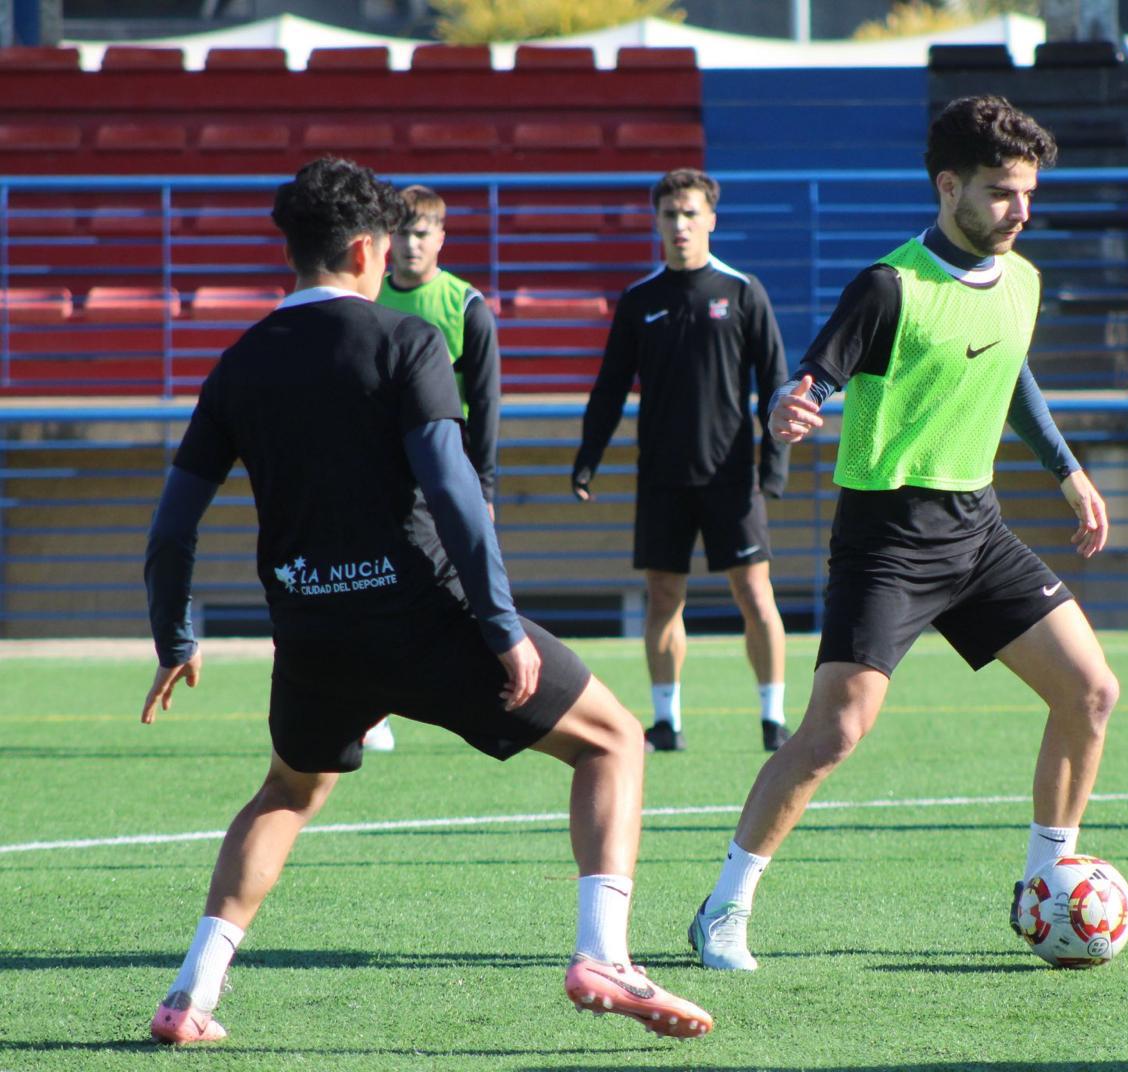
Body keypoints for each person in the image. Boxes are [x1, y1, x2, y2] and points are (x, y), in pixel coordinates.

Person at [140, 157, 712, 1045]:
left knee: (287, 794)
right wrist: (500, 628)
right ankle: (603, 953)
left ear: (293, 251)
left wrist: (176, 636)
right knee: (613, 740)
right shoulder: (406, 342)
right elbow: (454, 497)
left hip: (311, 632)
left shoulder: (238, 362)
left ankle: (190, 997)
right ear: (366, 250)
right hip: (427, 620)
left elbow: (171, 530)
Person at [686, 96, 1128, 972]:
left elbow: (1012, 377)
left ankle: (1049, 884)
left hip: (978, 530)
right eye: (1003, 192)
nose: (1021, 209)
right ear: (949, 187)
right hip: (889, 538)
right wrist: (795, 405)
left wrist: (1069, 471)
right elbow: (814, 377)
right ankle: (723, 907)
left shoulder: (1023, 280)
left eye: (1028, 193)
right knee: (833, 734)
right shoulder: (889, 286)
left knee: (1091, 691)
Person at [572, 168, 791, 754]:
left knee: (754, 593)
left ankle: (773, 718)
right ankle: (665, 721)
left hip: (731, 477)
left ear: (711, 220)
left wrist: (774, 465)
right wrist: (587, 457)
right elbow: (610, 387)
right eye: (670, 214)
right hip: (662, 478)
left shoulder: (743, 292)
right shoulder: (640, 300)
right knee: (664, 596)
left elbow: (776, 383)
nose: (681, 225)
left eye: (691, 213)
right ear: (657, 222)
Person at [365, 185, 504, 753]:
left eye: (422, 233)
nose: (410, 244)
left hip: (447, 470)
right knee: (375, 581)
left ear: (442, 239)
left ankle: (493, 693)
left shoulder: (466, 306)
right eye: (400, 233)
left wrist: (484, 485)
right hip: (381, 470)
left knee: (462, 585)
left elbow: (488, 402)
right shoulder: (369, 300)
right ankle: (371, 708)